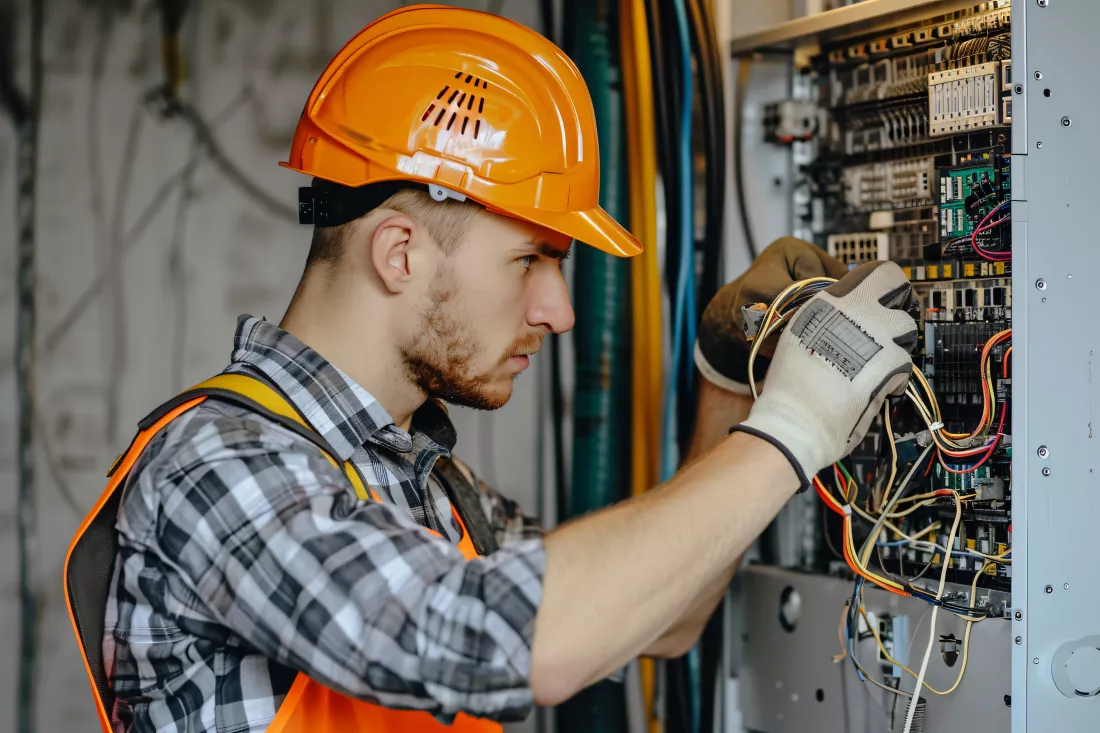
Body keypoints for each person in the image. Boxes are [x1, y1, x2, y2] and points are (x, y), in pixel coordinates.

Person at [64, 6, 915, 733]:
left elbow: (660, 618)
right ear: (399, 252)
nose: (561, 310)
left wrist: (732, 382)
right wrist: (792, 429)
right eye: (529, 261)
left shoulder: (424, 482)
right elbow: (502, 636)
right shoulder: (221, 465)